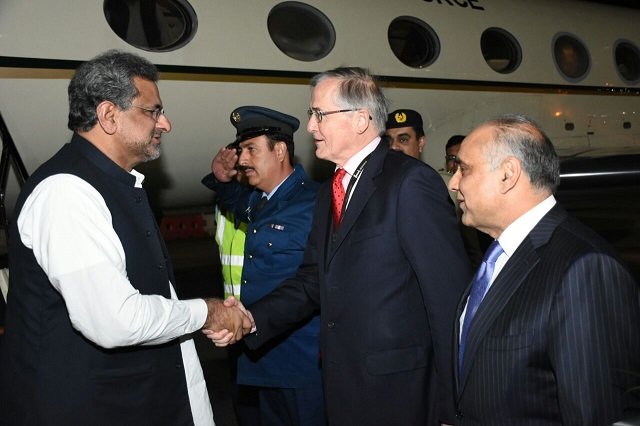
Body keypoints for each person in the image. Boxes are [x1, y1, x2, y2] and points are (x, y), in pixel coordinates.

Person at [0, 50, 250, 425]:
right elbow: (115, 320)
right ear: (108, 116)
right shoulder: (67, 192)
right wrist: (208, 311)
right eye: (153, 111)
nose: (165, 123)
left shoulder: (113, 184)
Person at [209, 68, 471, 425]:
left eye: (319, 115)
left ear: (361, 120)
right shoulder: (333, 188)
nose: (312, 127)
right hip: (342, 385)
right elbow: (313, 279)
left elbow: (449, 301)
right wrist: (253, 319)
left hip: (401, 394)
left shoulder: (410, 182)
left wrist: (452, 405)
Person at [448, 114, 640, 424]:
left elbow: (596, 412)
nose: (454, 183)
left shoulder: (584, 268)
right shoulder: (500, 253)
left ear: (508, 175)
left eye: (464, 170)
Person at [202, 106, 324, 426]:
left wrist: (251, 319)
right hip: (263, 363)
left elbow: (316, 285)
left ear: (280, 150)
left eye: (251, 149)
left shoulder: (316, 203)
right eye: (241, 150)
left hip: (303, 368)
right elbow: (233, 200)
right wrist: (219, 177)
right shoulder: (262, 200)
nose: (242, 160)